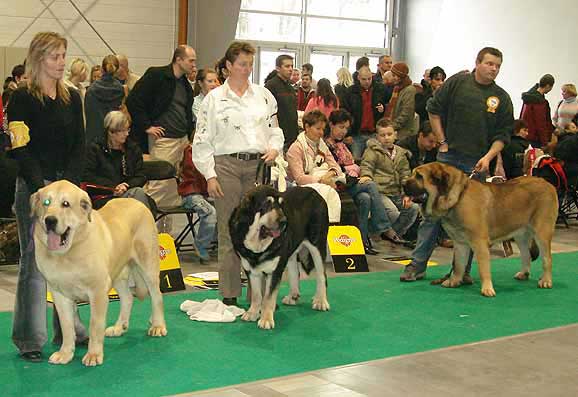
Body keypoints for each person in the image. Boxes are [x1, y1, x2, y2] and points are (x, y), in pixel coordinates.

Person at [400, 47, 514, 282]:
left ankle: (461, 272)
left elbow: (503, 135)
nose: (494, 69)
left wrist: (489, 157)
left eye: (498, 65)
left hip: (477, 164)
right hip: (447, 161)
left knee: (472, 222)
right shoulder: (457, 83)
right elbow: (433, 110)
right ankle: (417, 265)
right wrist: (442, 141)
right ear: (478, 62)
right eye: (490, 63)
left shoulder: (501, 97)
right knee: (432, 215)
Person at [7, 31, 87, 362]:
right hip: (35, 190)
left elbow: (80, 144)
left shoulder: (72, 97)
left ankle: (70, 330)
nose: (61, 63)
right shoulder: (22, 97)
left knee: (65, 259)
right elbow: (20, 145)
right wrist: (43, 188)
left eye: (63, 55)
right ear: (39, 58)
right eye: (55, 57)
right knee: (34, 263)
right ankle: (30, 338)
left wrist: (68, 185)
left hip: (64, 191)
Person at [192, 41, 283, 306]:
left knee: (263, 230)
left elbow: (275, 130)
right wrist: (210, 175)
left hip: (258, 168)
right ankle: (230, 295)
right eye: (242, 64)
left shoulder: (264, 95)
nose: (247, 69)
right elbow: (202, 141)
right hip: (226, 167)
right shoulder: (214, 99)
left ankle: (261, 295)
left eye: (250, 64)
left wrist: (275, 148)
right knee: (230, 230)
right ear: (228, 66)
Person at [126, 45, 196, 232]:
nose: (193, 64)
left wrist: (189, 137)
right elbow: (133, 100)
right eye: (191, 60)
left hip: (181, 140)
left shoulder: (185, 85)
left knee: (173, 190)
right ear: (178, 60)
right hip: (164, 141)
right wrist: (146, 125)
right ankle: (142, 231)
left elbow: (187, 113)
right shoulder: (156, 76)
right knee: (158, 187)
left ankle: (165, 237)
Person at [324, 109, 404, 253]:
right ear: (331, 125)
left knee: (365, 198)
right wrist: (352, 170)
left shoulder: (342, 144)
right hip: (338, 185)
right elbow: (337, 168)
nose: (344, 131)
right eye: (341, 127)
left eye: (346, 128)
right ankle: (385, 228)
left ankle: (363, 241)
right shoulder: (327, 145)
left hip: (350, 183)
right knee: (371, 185)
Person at [360, 118, 419, 241]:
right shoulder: (372, 151)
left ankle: (393, 234)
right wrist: (366, 176)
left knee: (413, 208)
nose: (386, 138)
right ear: (377, 137)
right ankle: (380, 232)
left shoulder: (401, 154)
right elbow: (367, 166)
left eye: (389, 134)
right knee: (393, 213)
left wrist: (407, 194)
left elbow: (405, 175)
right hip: (381, 192)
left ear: (395, 135)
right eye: (382, 135)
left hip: (397, 193)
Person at [83, 110, 151, 210]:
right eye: (122, 131)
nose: (127, 134)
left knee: (138, 194)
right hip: (104, 195)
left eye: (128, 129)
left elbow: (141, 175)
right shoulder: (95, 149)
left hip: (129, 191)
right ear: (111, 132)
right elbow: (87, 176)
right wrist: (113, 187)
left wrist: (126, 186)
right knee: (137, 199)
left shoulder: (133, 148)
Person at [177, 143, 217, 262]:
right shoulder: (191, 151)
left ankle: (222, 243)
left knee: (227, 207)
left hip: (206, 193)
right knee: (210, 212)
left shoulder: (213, 150)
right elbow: (200, 171)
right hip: (191, 193)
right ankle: (201, 244)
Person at [342, 66, 389, 159]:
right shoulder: (350, 92)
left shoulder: (380, 89)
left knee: (375, 160)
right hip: (357, 134)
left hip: (375, 134)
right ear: (358, 78)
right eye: (364, 79)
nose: (367, 81)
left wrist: (383, 108)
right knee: (356, 161)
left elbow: (388, 106)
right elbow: (346, 114)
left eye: (369, 78)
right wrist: (348, 134)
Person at [84, 55, 125, 145]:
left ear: (102, 69)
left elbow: (88, 116)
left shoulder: (91, 90)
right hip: (113, 139)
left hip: (93, 139)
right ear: (117, 70)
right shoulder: (120, 90)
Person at [265, 54, 299, 150]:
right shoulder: (270, 86)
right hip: (278, 136)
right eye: (287, 66)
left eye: (292, 66)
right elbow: (267, 113)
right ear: (278, 68)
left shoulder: (291, 87)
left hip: (292, 135)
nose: (290, 69)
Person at [384, 62, 417, 141]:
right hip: (395, 131)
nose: (393, 78)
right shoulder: (397, 88)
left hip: (403, 134)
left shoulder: (409, 90)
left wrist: (391, 127)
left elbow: (406, 113)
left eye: (394, 75)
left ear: (400, 77)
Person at [520, 74, 555, 147]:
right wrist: (545, 142)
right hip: (535, 138)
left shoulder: (528, 97)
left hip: (524, 135)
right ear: (548, 86)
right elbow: (541, 123)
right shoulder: (540, 102)